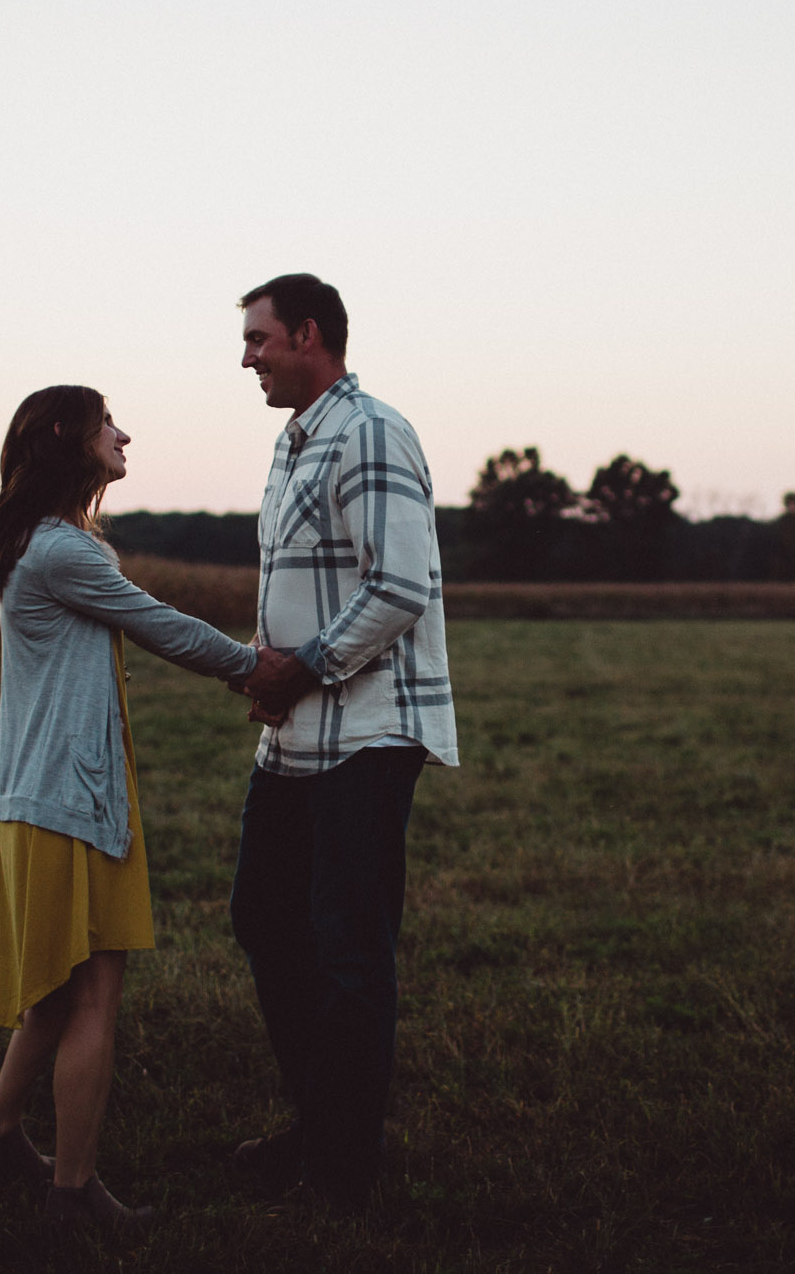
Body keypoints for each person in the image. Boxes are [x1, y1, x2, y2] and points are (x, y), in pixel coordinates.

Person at [0, 385, 259, 1228]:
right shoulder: (65, 552)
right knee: (91, 1000)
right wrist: (257, 666)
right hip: (70, 802)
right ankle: (72, 1193)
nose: (124, 435)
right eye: (107, 424)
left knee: (55, 993)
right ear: (67, 438)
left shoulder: (33, 543)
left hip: (36, 796)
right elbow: (164, 626)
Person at [226, 273, 460, 1212]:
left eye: (259, 339)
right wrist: (272, 664)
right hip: (300, 731)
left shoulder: (370, 430)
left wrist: (304, 666)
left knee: (347, 947)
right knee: (263, 916)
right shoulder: (293, 442)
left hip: (366, 729)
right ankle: (322, 1124)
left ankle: (341, 1169)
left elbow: (402, 583)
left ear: (309, 334)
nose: (247, 357)